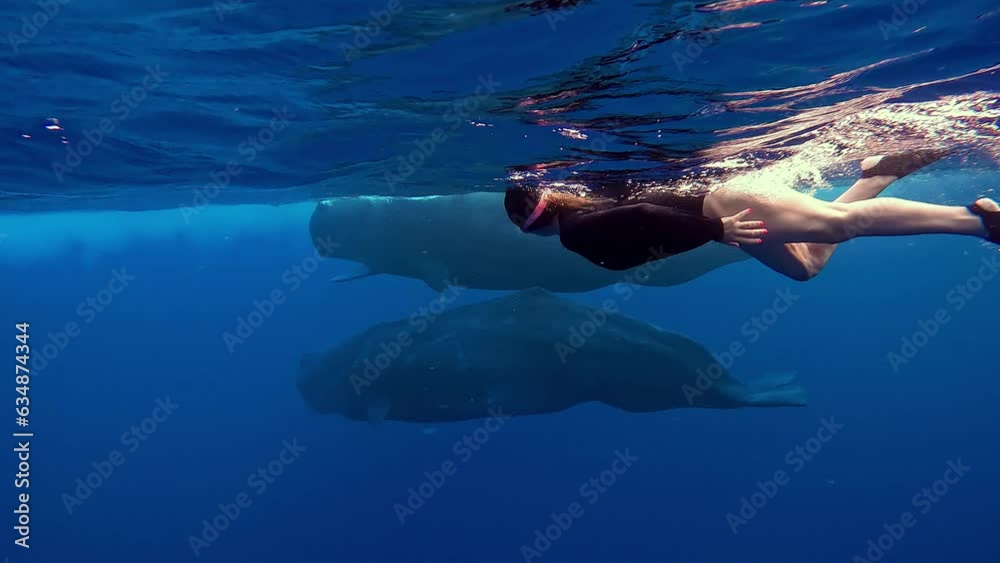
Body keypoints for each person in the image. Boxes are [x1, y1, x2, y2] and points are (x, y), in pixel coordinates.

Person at [504, 150, 1000, 281]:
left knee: (838, 225)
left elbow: (646, 213)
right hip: (720, 218)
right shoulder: (587, 207)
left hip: (723, 206)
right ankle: (875, 176)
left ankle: (978, 220)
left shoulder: (577, 228)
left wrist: (715, 228)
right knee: (805, 267)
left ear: (532, 225)